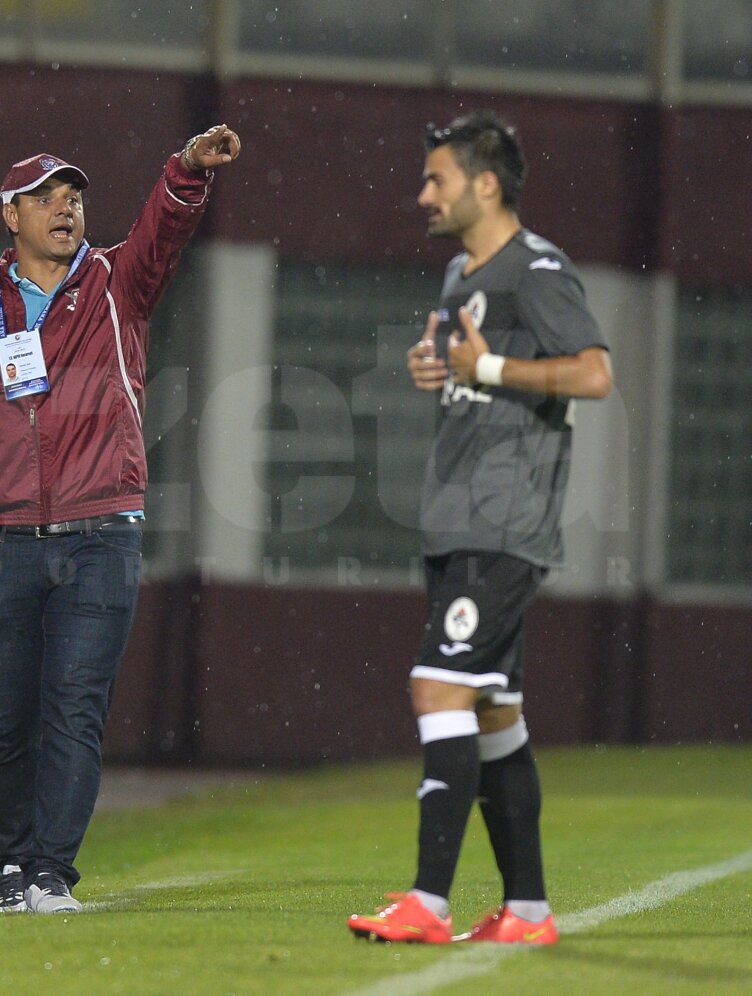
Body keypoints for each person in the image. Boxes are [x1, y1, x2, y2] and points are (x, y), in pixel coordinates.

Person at [0, 126, 241, 913]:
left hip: (102, 535)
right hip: (2, 545)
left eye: (73, 198)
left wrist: (183, 171)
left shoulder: (117, 284)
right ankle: (12, 866)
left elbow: (163, 228)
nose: (64, 210)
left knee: (74, 709)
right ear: (10, 215)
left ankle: (49, 872)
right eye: (44, 199)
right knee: (5, 723)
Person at [347, 111, 612, 944]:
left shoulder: (536, 269)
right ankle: (527, 910)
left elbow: (594, 375)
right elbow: (473, 374)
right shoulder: (461, 275)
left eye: (438, 179)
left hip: (505, 517)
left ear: (484, 184)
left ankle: (428, 901)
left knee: (437, 688)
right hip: (458, 516)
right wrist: (444, 371)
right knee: (495, 715)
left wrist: (487, 366)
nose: (424, 194)